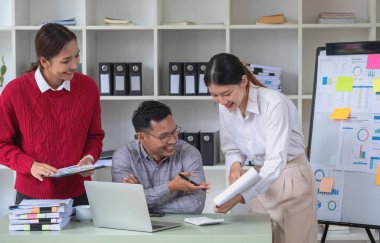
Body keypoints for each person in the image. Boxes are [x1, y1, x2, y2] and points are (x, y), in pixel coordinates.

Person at [204, 53, 317, 243]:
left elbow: (275, 162)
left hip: (290, 178)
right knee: (260, 238)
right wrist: (235, 165)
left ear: (243, 81)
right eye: (214, 95)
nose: (222, 101)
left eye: (226, 93)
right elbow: (232, 148)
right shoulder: (226, 107)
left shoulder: (274, 104)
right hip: (259, 181)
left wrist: (240, 197)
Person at [0, 23, 105, 207]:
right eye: (66, 61)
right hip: (32, 196)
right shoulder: (15, 92)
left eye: (77, 55)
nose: (74, 64)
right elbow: (2, 144)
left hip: (79, 194)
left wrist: (89, 158)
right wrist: (30, 165)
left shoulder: (88, 88)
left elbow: (94, 136)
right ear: (44, 61)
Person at [112, 100, 208, 214]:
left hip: (182, 227)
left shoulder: (189, 153)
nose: (173, 140)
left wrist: (142, 202)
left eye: (174, 132)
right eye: (164, 136)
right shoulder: (124, 156)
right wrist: (171, 187)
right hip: (137, 227)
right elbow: (124, 202)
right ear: (141, 137)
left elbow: (196, 204)